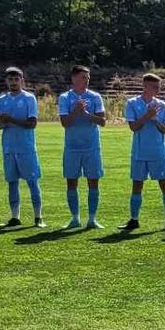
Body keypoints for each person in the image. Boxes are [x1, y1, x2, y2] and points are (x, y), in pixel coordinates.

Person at [57, 65, 107, 230]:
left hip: (92, 147)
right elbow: (65, 123)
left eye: (88, 77)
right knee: (72, 182)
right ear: (74, 78)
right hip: (72, 147)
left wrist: (85, 114)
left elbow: (102, 121)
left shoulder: (95, 97)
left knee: (93, 182)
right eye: (83, 77)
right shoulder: (65, 98)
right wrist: (76, 110)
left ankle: (92, 219)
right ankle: (75, 219)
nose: (87, 80)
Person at [122, 73, 165, 231]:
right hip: (139, 151)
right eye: (154, 87)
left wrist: (155, 119)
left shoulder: (162, 105)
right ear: (145, 86)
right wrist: (147, 116)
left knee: (164, 183)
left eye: (159, 87)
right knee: (137, 185)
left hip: (158, 151)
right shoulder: (132, 103)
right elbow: (133, 127)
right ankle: (134, 219)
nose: (158, 90)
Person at [0, 67, 43, 227]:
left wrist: (10, 120)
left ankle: (38, 217)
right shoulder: (1, 100)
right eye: (10, 79)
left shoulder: (29, 98)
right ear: (6, 81)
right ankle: (15, 217)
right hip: (9, 148)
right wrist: (2, 122)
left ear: (22, 81)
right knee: (12, 183)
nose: (13, 82)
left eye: (16, 79)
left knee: (32, 182)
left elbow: (32, 124)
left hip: (26, 148)